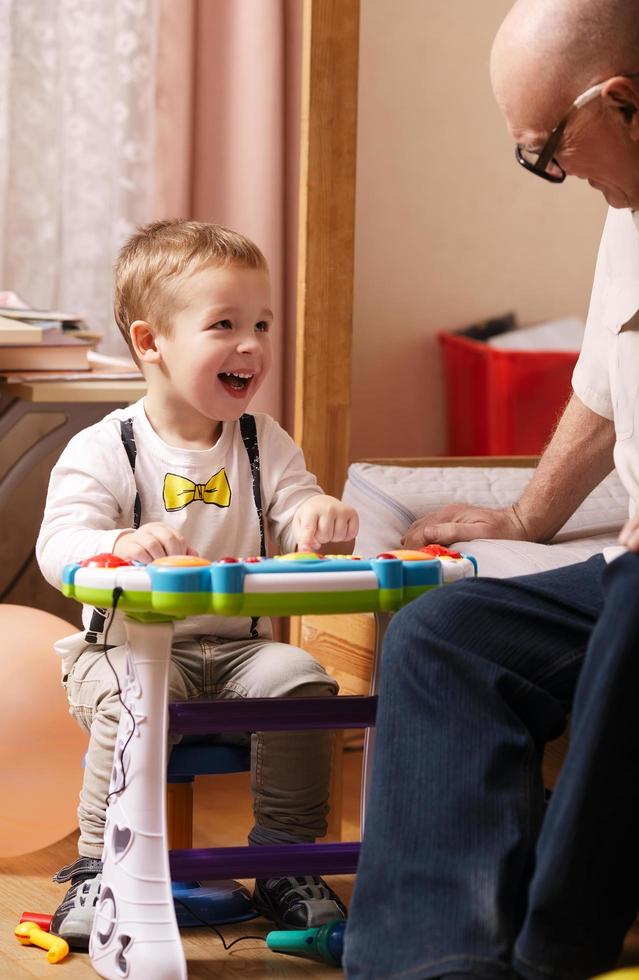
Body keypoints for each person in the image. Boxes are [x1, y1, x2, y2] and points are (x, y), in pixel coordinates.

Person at [343, 1, 639, 979]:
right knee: (443, 636)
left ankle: (554, 954)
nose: (556, 177)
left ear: (621, 102)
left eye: (544, 149)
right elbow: (601, 395)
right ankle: (431, 961)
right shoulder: (628, 213)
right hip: (630, 568)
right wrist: (521, 517)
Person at [36, 219, 359, 949]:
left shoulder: (261, 440)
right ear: (150, 343)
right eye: (225, 324)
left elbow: (296, 501)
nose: (252, 344)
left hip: (238, 652)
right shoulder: (107, 446)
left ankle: (285, 859)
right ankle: (98, 863)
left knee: (303, 678)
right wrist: (120, 543)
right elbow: (58, 547)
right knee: (135, 691)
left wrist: (319, 512)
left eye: (261, 324)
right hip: (124, 652)